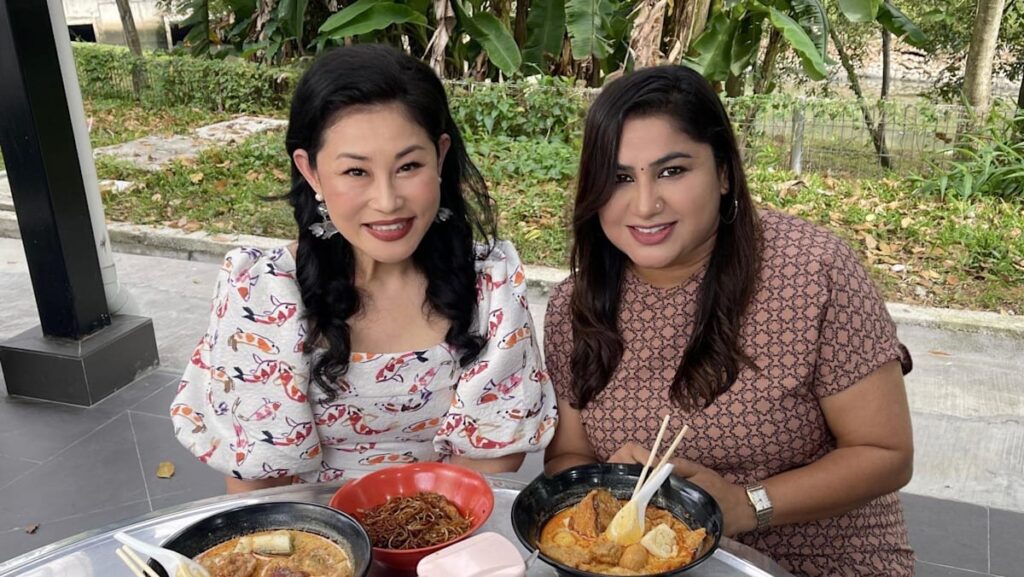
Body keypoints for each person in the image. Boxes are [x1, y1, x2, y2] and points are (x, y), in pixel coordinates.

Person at [542, 65, 914, 576]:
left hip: (820, 557)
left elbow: (885, 452)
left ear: (723, 173)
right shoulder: (575, 305)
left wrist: (745, 504)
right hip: (645, 562)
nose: (646, 204)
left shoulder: (812, 272)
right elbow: (567, 459)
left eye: (673, 171)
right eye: (620, 177)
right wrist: (607, 481)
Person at [172, 44, 557, 494]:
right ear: (312, 172)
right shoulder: (262, 293)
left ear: (441, 156)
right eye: (356, 172)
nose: (388, 201)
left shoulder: (489, 286)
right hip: (316, 538)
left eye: (409, 166)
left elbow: (491, 459)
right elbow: (260, 483)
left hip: (448, 531)